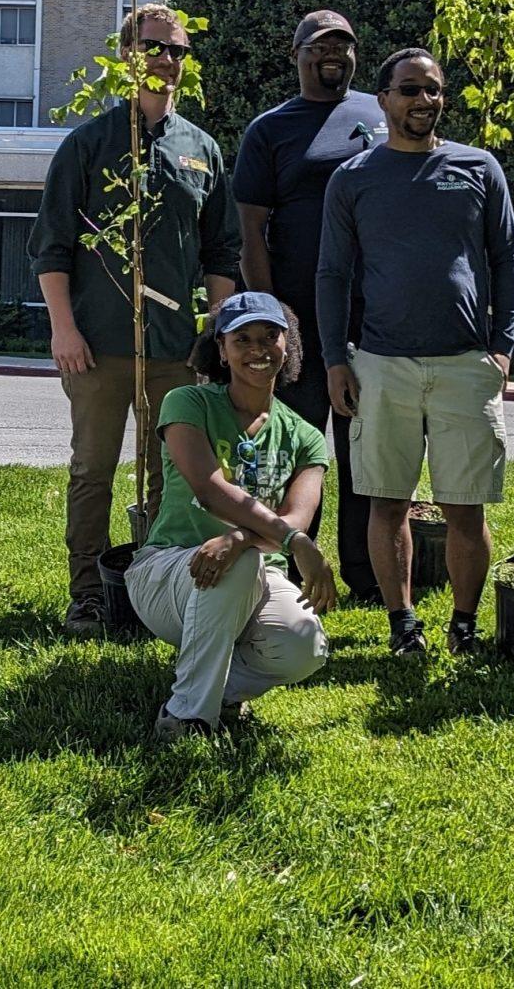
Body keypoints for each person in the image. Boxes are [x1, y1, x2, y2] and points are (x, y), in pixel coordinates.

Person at [30, 3, 243, 636]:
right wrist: (64, 328)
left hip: (176, 349)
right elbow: (53, 246)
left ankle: (158, 584)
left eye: (177, 50)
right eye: (155, 47)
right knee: (93, 471)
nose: (167, 61)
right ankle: (88, 593)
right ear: (126, 54)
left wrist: (215, 330)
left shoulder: (200, 148)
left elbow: (221, 251)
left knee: (171, 474)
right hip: (97, 348)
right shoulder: (89, 145)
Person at [316, 48, 514, 658]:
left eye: (432, 90)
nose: (423, 101)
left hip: (466, 364)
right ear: (383, 100)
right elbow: (333, 274)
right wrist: (334, 358)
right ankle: (402, 623)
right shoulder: (353, 178)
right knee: (388, 501)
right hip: (381, 363)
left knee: (466, 507)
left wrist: (503, 348)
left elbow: (508, 259)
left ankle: (463, 624)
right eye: (409, 90)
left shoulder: (478, 168)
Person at [127, 291, 340, 740]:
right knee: (239, 564)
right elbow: (210, 490)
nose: (258, 349)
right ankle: (186, 717)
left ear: (289, 345)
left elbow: (296, 518)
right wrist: (288, 543)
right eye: (242, 339)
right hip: (170, 569)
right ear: (221, 350)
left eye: (270, 336)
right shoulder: (188, 402)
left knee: (306, 647)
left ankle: (208, 687)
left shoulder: (304, 435)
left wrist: (243, 539)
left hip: (258, 570)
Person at [232, 9, 387, 601]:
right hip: (298, 317)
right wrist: (273, 317)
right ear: (296, 55)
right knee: (302, 449)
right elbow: (252, 230)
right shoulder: (270, 130)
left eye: (345, 46)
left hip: (373, 317)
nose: (335, 56)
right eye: (321, 46)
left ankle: (368, 575)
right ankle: (296, 571)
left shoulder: (380, 113)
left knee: (367, 452)